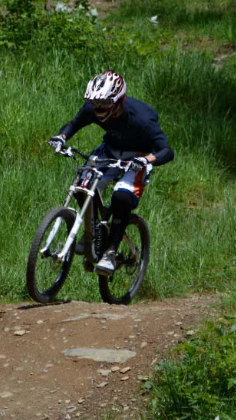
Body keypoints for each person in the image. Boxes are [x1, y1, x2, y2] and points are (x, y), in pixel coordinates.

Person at [48, 70, 174, 274]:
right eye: (95, 103)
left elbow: (167, 151)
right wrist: (61, 137)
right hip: (110, 150)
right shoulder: (92, 107)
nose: (98, 108)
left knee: (121, 197)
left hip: (138, 156)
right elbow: (73, 124)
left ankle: (111, 252)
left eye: (105, 103)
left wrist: (145, 160)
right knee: (82, 185)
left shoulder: (143, 118)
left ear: (118, 100)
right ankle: (92, 232)